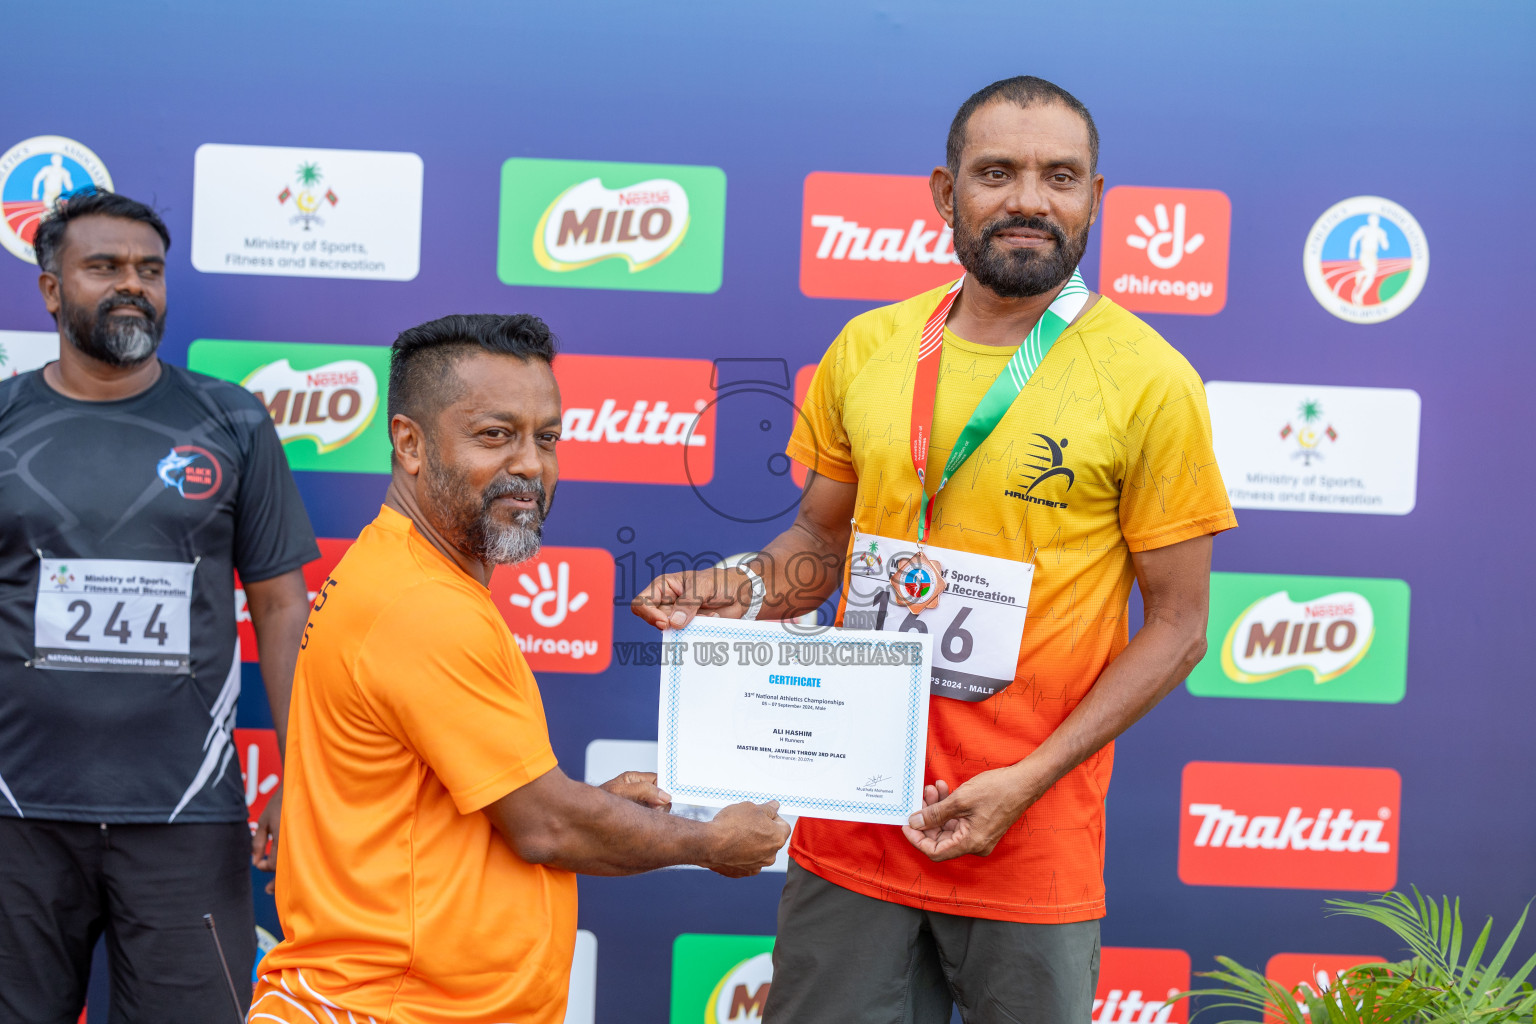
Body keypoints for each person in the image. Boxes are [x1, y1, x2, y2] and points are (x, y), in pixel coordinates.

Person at [633, 76, 1238, 1023]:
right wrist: (727, 588)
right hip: (854, 816)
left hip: (1029, 830)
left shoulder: (1151, 381)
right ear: (943, 192)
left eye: (1060, 176)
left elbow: (1181, 627)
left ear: (1095, 197)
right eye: (996, 172)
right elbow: (815, 548)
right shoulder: (871, 346)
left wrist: (1027, 781)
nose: (1030, 199)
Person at [253, 314, 790, 1023]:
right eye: (495, 435)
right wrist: (711, 841)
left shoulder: (406, 574)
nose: (531, 466)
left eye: (547, 438)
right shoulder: (423, 605)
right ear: (410, 444)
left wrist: (596, 804)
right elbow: (543, 827)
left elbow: (463, 815)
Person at [0, 187, 318, 1018]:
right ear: (49, 288)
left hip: (187, 817)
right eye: (103, 267)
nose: (131, 284)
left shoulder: (232, 420)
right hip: (14, 817)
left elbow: (282, 607)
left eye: (149, 269)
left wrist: (302, 771)